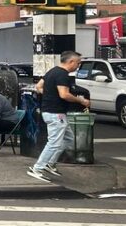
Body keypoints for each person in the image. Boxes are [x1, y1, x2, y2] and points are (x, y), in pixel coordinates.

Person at [28, 50, 90, 182]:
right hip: (56, 114)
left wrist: (50, 95)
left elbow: (38, 86)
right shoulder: (63, 75)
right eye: (78, 63)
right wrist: (81, 100)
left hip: (51, 112)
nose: (78, 66)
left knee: (69, 139)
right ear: (71, 61)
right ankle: (38, 168)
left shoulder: (52, 71)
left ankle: (50, 163)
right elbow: (64, 94)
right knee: (54, 143)